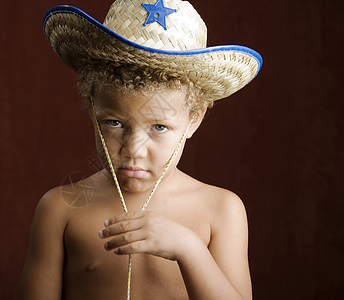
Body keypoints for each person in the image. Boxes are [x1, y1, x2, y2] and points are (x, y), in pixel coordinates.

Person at [18, 0, 262, 299]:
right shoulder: (61, 208)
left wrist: (189, 249)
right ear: (93, 111)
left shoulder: (221, 209)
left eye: (158, 127)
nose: (133, 149)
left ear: (193, 121)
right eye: (114, 123)